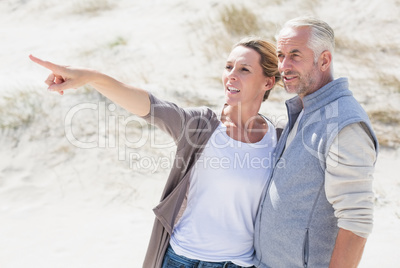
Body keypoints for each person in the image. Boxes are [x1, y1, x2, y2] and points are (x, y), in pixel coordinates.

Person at [30, 37, 281, 268]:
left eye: (244, 69)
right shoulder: (201, 125)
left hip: (239, 263)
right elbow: (151, 106)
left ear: (268, 82)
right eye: (228, 67)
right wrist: (92, 77)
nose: (231, 76)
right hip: (182, 260)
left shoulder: (279, 138)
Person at [253, 17, 379, 268]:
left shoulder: (344, 123)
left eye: (295, 55)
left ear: (324, 60)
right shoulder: (306, 107)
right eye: (280, 55)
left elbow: (356, 221)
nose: (283, 66)